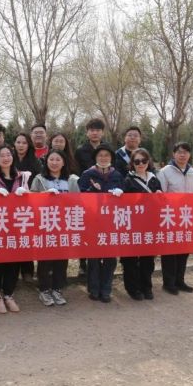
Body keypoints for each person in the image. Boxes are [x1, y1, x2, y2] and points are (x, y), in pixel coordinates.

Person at [0, 146, 31, 313]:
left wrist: (26, 194)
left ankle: (9, 294)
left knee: (14, 261)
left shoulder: (22, 176)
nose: (6, 158)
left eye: (8, 154)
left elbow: (30, 201)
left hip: (17, 225)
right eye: (2, 155)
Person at [30, 149, 80, 307]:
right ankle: (44, 289)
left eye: (58, 159)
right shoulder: (39, 179)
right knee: (45, 260)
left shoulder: (72, 180)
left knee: (62, 259)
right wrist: (44, 195)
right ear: (46, 161)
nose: (54, 162)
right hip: (45, 225)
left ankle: (57, 288)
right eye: (51, 159)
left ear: (64, 162)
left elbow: (79, 201)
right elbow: (31, 200)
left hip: (65, 225)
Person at [78, 144, 125, 303]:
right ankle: (94, 289)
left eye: (107, 155)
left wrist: (121, 194)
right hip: (93, 222)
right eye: (100, 155)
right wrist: (93, 191)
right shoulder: (87, 174)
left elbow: (125, 199)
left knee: (110, 258)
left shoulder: (117, 175)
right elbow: (80, 197)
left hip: (112, 222)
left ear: (111, 158)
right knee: (94, 258)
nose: (103, 158)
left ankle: (106, 289)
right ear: (95, 158)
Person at [157, 142, 193, 295]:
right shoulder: (165, 172)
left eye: (186, 152)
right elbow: (160, 195)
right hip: (169, 217)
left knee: (184, 250)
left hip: (186, 218)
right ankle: (168, 283)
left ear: (189, 155)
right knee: (170, 251)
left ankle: (180, 281)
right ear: (174, 154)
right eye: (179, 152)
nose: (183, 155)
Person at [121, 148, 161, 301]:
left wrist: (160, 195)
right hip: (132, 225)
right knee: (130, 259)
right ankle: (133, 288)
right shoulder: (127, 180)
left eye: (144, 161)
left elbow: (161, 202)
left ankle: (146, 286)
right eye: (137, 161)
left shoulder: (154, 179)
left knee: (148, 258)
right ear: (132, 163)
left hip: (150, 224)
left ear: (148, 162)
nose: (141, 164)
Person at [74, 118, 106, 277]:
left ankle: (100, 260)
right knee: (85, 229)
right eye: (92, 130)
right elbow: (76, 172)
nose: (95, 133)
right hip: (86, 195)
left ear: (102, 132)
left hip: (104, 195)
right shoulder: (80, 151)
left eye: (98, 130)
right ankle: (83, 263)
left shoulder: (107, 149)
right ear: (87, 133)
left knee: (101, 228)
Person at [12, 131, 42, 283]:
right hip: (11, 204)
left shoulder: (35, 161)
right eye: (18, 142)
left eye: (24, 143)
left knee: (26, 238)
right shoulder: (9, 158)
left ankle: (27, 270)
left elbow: (38, 181)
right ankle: (13, 270)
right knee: (13, 237)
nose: (21, 145)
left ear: (29, 145)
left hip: (29, 204)